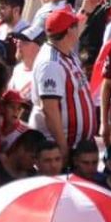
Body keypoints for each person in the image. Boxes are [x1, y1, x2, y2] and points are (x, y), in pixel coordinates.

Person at [28, 9, 95, 159]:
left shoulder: (65, 52)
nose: (79, 27)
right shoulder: (51, 64)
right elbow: (50, 110)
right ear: (69, 31)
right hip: (60, 149)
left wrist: (87, 8)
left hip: (77, 146)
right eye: (76, 25)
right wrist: (62, 148)